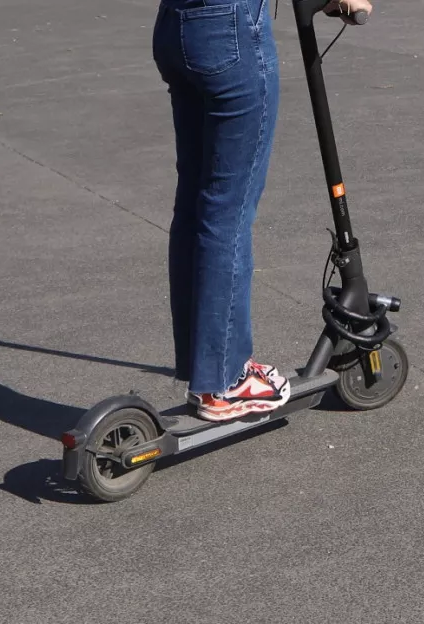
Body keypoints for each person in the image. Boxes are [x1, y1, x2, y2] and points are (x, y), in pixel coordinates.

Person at [152, 0, 373, 421]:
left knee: (196, 204)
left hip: (176, 24)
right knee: (227, 212)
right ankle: (226, 380)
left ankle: (204, 369)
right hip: (229, 31)